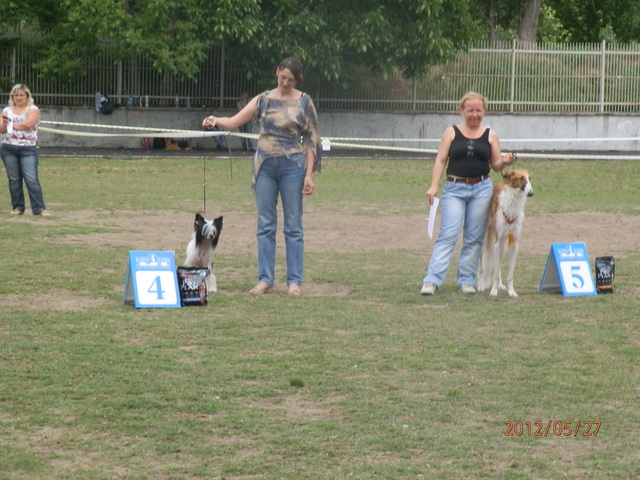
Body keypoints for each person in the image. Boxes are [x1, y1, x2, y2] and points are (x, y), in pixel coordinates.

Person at [203, 57, 321, 296]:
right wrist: (216, 121)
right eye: (283, 77)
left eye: (291, 80)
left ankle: (294, 281)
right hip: (265, 167)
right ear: (277, 72)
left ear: (298, 80)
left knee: (293, 226)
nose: (285, 82)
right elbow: (235, 121)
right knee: (265, 225)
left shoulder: (305, 101)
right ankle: (265, 279)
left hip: (293, 167)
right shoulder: (263, 100)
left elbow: (311, 139)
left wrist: (309, 174)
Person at [420, 92, 514, 295]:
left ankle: (466, 280)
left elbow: (495, 165)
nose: (475, 114)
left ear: (484, 111)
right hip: (454, 189)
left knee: (474, 238)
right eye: (470, 110)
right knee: (448, 235)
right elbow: (440, 160)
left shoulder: (490, 135)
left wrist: (505, 161)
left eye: (479, 110)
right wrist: (433, 186)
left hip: (482, 189)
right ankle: (432, 281)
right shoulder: (451, 132)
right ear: (462, 111)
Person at [1, 83, 50, 216]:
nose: (19, 98)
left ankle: (39, 208)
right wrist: (4, 124)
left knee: (31, 178)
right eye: (16, 95)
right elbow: (1, 129)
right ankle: (18, 207)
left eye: (21, 95)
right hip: (8, 148)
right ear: (12, 96)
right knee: (14, 179)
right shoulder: (7, 110)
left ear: (27, 96)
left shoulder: (33, 109)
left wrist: (10, 124)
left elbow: (28, 124)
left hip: (27, 149)